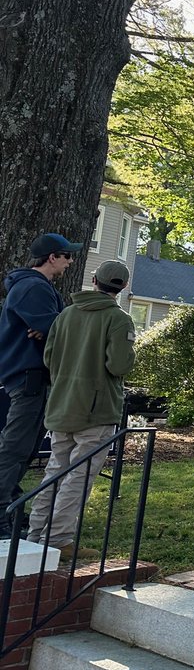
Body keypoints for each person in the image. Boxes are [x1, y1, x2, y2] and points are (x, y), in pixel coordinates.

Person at [26, 261, 136, 559]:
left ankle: (35, 535)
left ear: (94, 280)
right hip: (97, 411)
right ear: (123, 287)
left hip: (62, 404)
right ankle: (58, 539)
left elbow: (49, 358)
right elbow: (119, 365)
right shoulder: (119, 320)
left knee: (55, 471)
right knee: (79, 475)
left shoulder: (66, 315)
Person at [0, 233, 78, 538]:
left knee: (26, 447)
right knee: (16, 447)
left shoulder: (36, 287)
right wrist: (51, 329)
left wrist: (50, 328)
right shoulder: (33, 287)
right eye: (67, 256)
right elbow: (57, 331)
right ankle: (2, 514)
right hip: (29, 377)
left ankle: (10, 506)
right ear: (52, 258)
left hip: (32, 377)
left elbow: (52, 328)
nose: (70, 262)